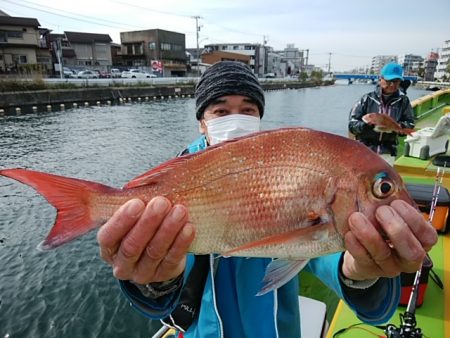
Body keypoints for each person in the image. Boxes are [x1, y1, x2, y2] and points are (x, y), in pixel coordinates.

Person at [97, 61, 437, 338]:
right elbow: (161, 298)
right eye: (220, 110)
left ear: (259, 116)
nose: (236, 119)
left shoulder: (290, 170)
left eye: (247, 108)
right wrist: (156, 281)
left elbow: (326, 259)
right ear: (202, 121)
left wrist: (361, 273)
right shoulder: (177, 182)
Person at [348, 62, 415, 165]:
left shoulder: (403, 101)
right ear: (381, 79)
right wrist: (365, 126)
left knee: (384, 179)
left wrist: (399, 127)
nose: (392, 85)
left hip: (388, 152)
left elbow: (410, 122)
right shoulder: (367, 99)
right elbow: (352, 124)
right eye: (389, 81)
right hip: (364, 150)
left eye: (396, 81)